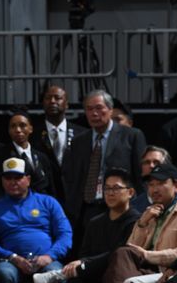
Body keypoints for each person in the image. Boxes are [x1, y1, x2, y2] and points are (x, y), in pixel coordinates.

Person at [100, 163, 177, 283]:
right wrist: (142, 223)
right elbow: (131, 248)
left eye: (160, 183)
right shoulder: (150, 213)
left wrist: (147, 255)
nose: (154, 189)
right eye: (151, 184)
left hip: (169, 273)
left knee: (122, 263)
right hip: (144, 270)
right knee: (119, 256)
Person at [62, 89, 147, 234]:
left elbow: (140, 175)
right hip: (87, 209)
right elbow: (72, 178)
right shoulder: (79, 141)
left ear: (110, 109)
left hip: (121, 207)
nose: (94, 113)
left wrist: (138, 206)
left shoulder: (131, 136)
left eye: (99, 108)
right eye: (89, 109)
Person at [32, 85, 88, 202]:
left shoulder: (83, 134)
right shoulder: (33, 135)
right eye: (48, 98)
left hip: (76, 200)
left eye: (57, 98)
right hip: (44, 199)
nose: (52, 101)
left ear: (66, 104)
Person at [0, 109, 55, 196]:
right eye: (13, 126)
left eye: (22, 125)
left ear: (31, 129)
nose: (18, 130)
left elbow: (51, 189)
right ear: (9, 130)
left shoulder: (42, 157)